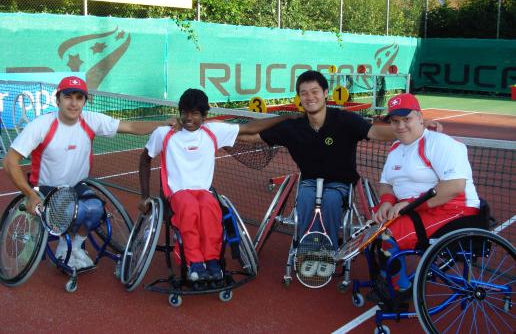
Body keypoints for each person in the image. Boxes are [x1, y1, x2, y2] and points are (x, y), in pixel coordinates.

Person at [246, 70, 441, 250]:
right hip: (309, 182)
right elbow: (254, 136)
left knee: (330, 200)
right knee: (305, 199)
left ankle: (327, 249)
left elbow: (376, 131)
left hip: (340, 184)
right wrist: (223, 134)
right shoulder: (291, 127)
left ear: (325, 93)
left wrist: (415, 128)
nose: (310, 97)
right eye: (304, 93)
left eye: (315, 91)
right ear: (299, 98)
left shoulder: (345, 120)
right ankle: (306, 246)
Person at [3, 76, 176, 270]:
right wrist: (30, 194)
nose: (74, 103)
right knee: (73, 211)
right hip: (47, 189)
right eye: (68, 97)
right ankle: (64, 250)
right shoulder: (41, 126)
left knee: (95, 209)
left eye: (79, 97)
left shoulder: (91, 120)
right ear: (57, 99)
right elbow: (10, 161)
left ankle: (73, 248)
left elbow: (130, 126)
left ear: (85, 101)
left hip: (77, 186)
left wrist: (163, 124)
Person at [139, 88, 297, 282]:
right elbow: (144, 159)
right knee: (189, 208)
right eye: (185, 112)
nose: (189, 118)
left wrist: (285, 117)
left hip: (203, 192)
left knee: (210, 207)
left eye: (195, 113)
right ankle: (194, 263)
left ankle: (212, 261)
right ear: (180, 112)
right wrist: (144, 196)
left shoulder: (213, 131)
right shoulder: (164, 133)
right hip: (176, 193)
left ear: (204, 115)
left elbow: (251, 128)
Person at [371, 92, 480, 294]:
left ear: (420, 118)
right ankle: (390, 275)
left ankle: (399, 290)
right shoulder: (395, 148)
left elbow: (455, 186)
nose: (400, 126)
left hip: (453, 209)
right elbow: (386, 183)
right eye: (395, 121)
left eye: (406, 119)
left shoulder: (442, 144)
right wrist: (386, 202)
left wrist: (409, 204)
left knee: (386, 234)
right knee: (374, 228)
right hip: (416, 208)